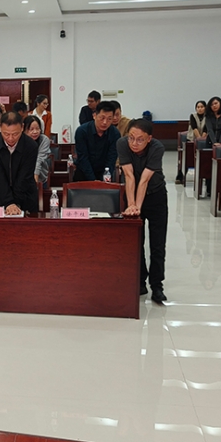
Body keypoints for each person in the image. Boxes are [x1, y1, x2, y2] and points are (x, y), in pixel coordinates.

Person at [118, 118, 168, 304]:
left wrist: (137, 207)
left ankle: (157, 286)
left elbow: (145, 180)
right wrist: (132, 205)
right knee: (136, 241)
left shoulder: (157, 148)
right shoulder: (122, 144)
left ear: (149, 139)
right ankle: (139, 281)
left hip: (156, 197)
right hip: (132, 195)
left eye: (140, 139)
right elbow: (129, 176)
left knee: (157, 244)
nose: (134, 143)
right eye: (131, 137)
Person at [0, 111, 39, 214]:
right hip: (1, 197)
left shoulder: (31, 146)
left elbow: (24, 176)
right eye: (6, 134)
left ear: (22, 127)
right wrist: (9, 202)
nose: (10, 138)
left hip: (26, 197)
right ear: (0, 128)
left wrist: (14, 203)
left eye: (15, 134)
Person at [73, 100, 120, 181]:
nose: (105, 122)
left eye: (109, 119)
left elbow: (111, 159)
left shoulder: (115, 134)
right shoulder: (82, 131)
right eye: (102, 118)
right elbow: (83, 158)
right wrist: (93, 181)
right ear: (94, 115)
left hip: (105, 173)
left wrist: (103, 180)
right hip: (84, 173)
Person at [23, 115, 52, 185]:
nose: (35, 132)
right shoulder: (20, 140)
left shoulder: (44, 140)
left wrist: (35, 183)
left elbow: (39, 160)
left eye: (37, 128)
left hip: (40, 179)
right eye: (31, 129)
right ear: (24, 130)